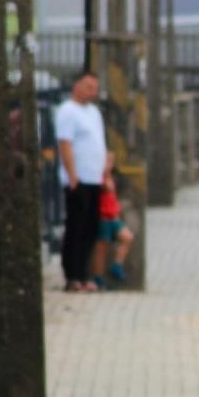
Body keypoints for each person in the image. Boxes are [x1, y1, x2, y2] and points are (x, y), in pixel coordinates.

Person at [55, 71, 107, 292]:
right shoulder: (68, 111)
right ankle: (72, 275)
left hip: (95, 177)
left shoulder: (94, 112)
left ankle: (85, 274)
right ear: (76, 85)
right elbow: (65, 144)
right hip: (78, 179)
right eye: (87, 86)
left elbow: (100, 143)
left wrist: (104, 173)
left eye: (94, 88)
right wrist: (72, 174)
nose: (91, 92)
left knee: (90, 228)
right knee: (75, 227)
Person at [92, 154, 134, 287]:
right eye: (106, 162)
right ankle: (98, 277)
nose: (108, 165)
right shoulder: (97, 178)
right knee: (101, 248)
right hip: (103, 218)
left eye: (111, 162)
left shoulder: (111, 177)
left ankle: (117, 265)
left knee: (127, 237)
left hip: (113, 217)